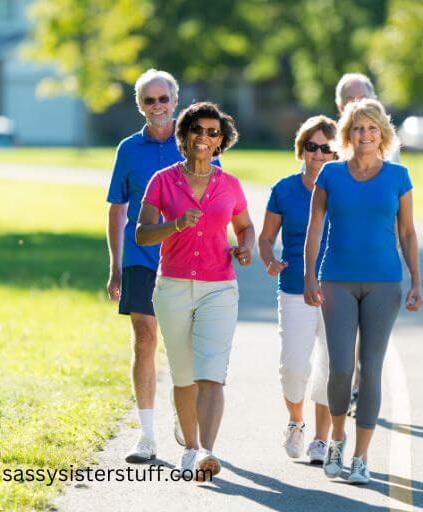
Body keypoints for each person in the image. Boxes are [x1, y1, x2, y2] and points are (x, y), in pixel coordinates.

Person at [304, 99, 422, 484]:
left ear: (383, 134)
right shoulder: (330, 175)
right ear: (347, 134)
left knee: (370, 370)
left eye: (372, 128)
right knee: (340, 368)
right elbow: (314, 228)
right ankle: (337, 437)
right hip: (336, 279)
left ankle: (361, 456)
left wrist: (418, 282)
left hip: (384, 283)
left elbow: (407, 232)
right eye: (358, 128)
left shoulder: (398, 176)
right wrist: (309, 277)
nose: (365, 135)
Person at [135, 101, 254, 480]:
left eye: (212, 133)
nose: (204, 137)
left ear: (221, 142)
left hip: (219, 287)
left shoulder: (230, 185)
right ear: (184, 136)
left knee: (211, 374)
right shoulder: (162, 181)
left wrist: (245, 247)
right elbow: (142, 233)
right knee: (183, 374)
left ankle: (205, 450)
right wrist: (175, 225)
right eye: (197, 130)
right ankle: (188, 445)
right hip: (171, 288)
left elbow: (246, 226)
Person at [106, 69, 185, 462]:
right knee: (144, 338)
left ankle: (184, 416)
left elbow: (215, 199)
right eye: (149, 100)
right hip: (140, 258)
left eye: (163, 99)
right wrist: (116, 265)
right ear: (140, 105)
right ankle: (147, 434)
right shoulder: (127, 150)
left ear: (175, 101)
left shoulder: (195, 143)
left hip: (184, 260)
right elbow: (117, 208)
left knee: (181, 343)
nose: (157, 107)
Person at [258, 115, 338, 464]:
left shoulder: (346, 188)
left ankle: (321, 439)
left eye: (327, 148)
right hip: (294, 288)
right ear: (301, 150)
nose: (319, 154)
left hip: (339, 289)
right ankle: (296, 420)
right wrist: (268, 260)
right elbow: (264, 238)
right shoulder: (284, 189)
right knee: (293, 367)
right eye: (312, 147)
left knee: (331, 366)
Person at [333, 73, 400, 418]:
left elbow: (397, 214)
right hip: (337, 268)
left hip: (376, 269)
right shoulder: (329, 153)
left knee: (368, 353)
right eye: (351, 100)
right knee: (338, 353)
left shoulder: (391, 159)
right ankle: (333, 408)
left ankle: (361, 390)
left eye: (364, 98)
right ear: (340, 106)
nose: (358, 105)